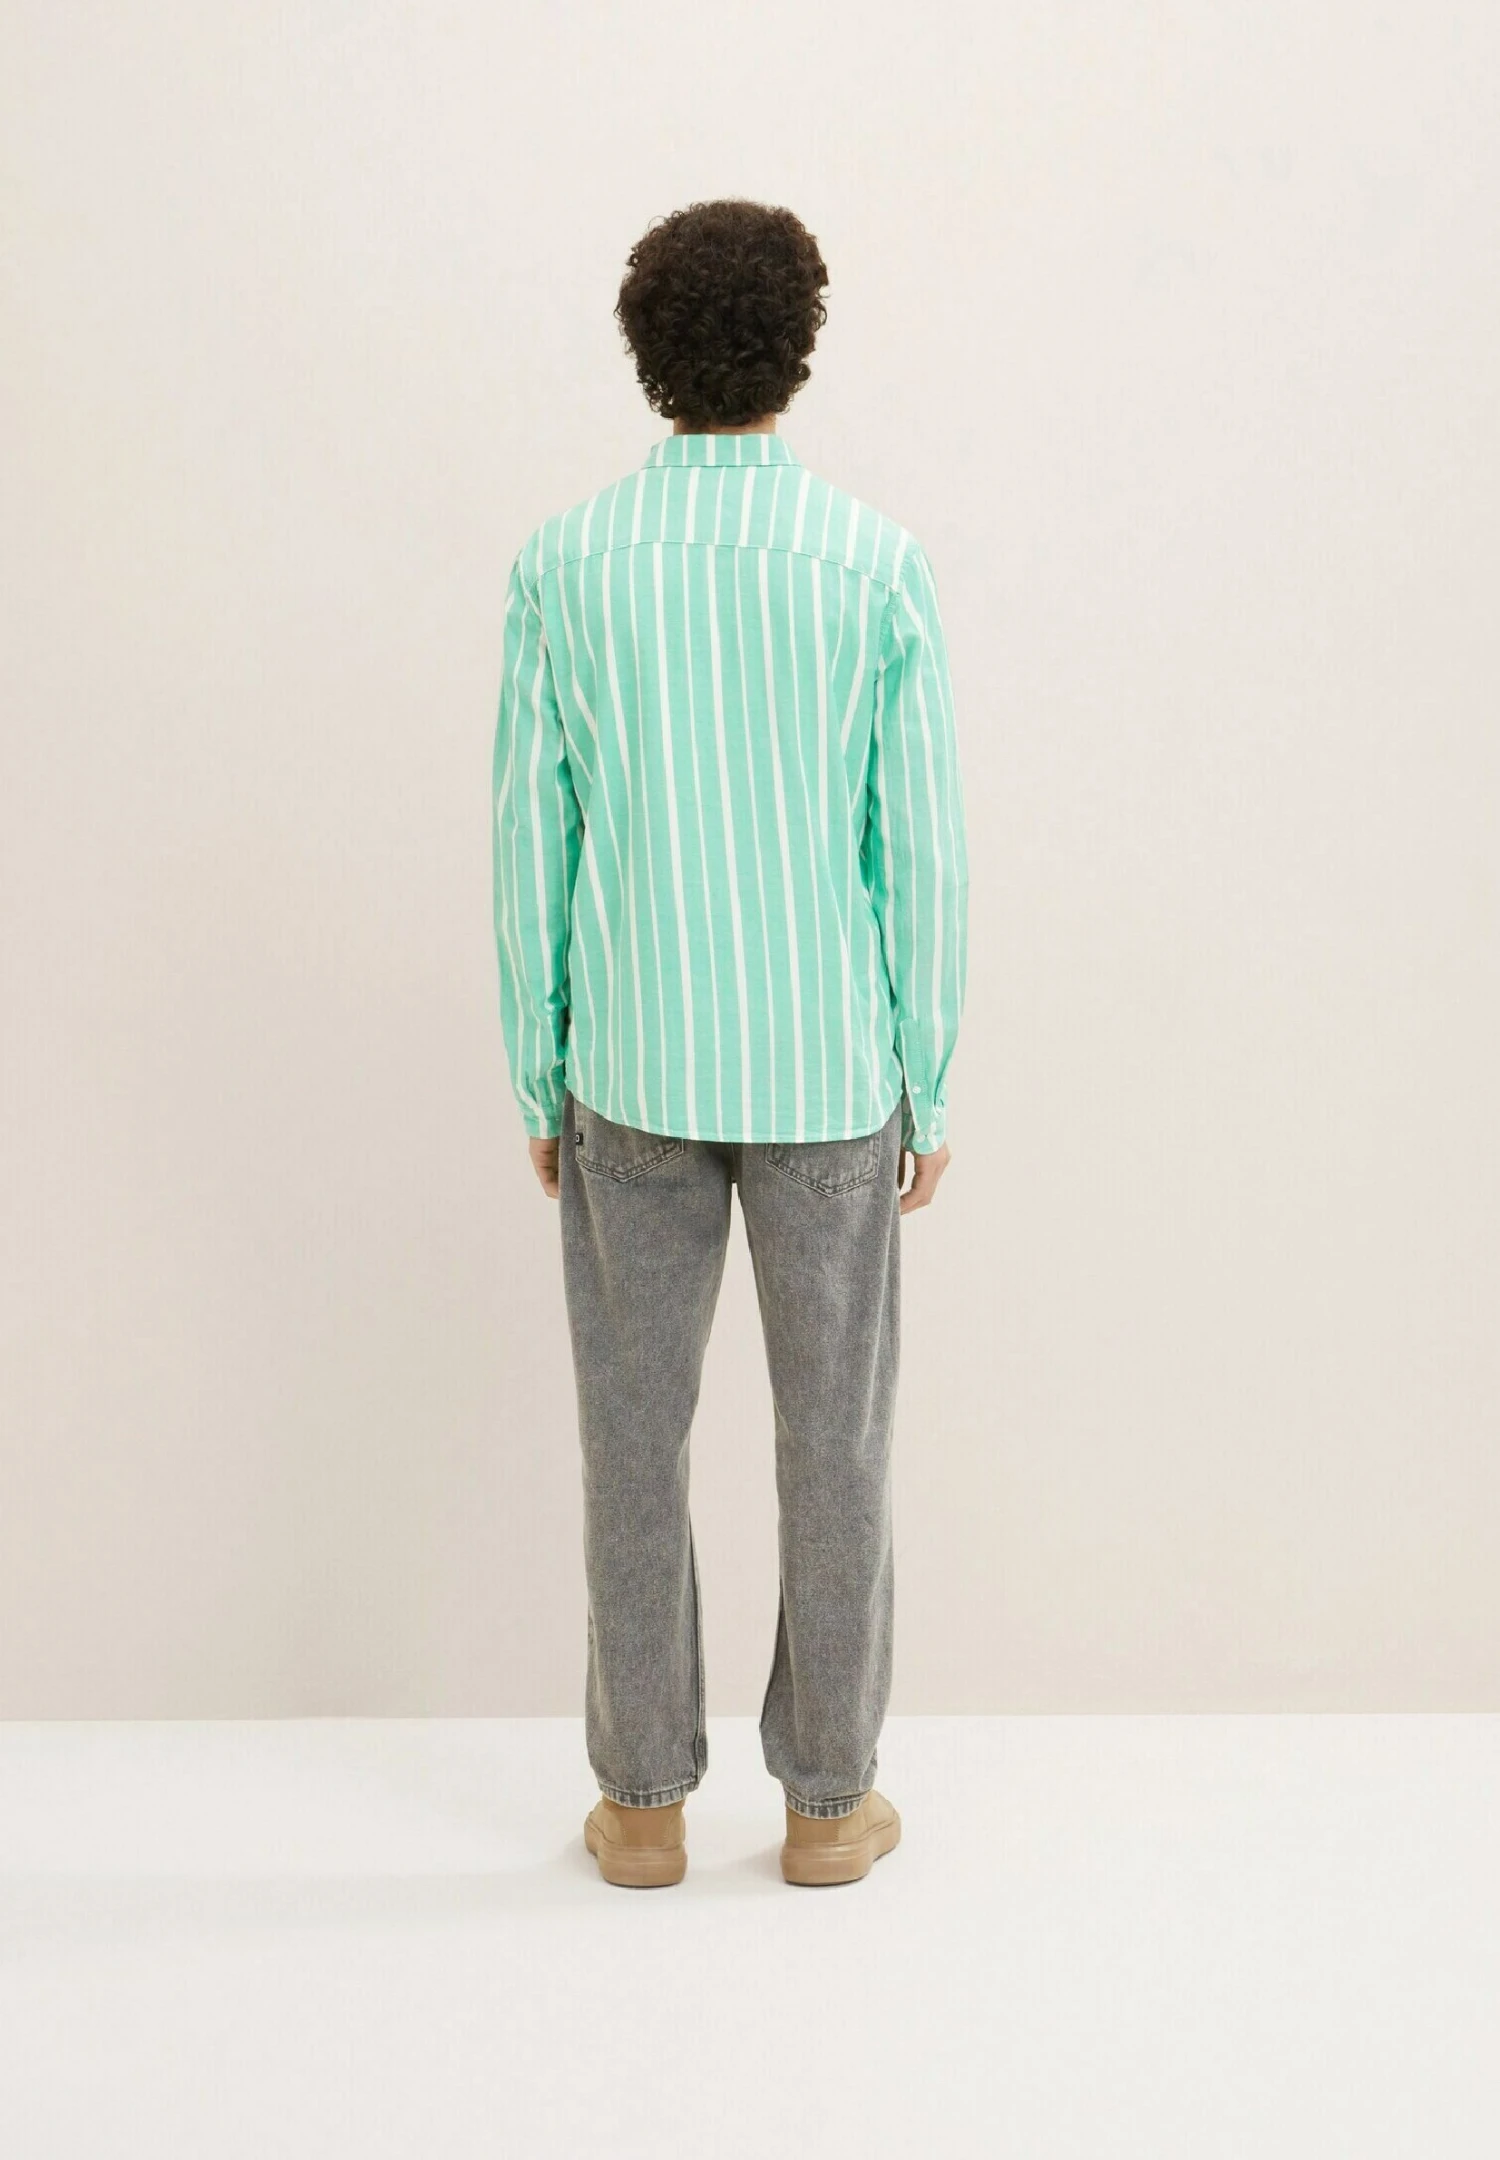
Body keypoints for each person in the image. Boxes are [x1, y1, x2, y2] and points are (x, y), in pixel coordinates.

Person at [491, 197, 969, 1888]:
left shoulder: (565, 565)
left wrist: (535, 1058)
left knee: (632, 1436)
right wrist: (929, 1073)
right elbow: (917, 850)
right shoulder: (870, 563)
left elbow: (529, 838)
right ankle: (830, 1807)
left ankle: (641, 1806)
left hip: (630, 1066)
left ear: (647, 352)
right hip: (830, 1077)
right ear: (799, 348)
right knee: (835, 1440)